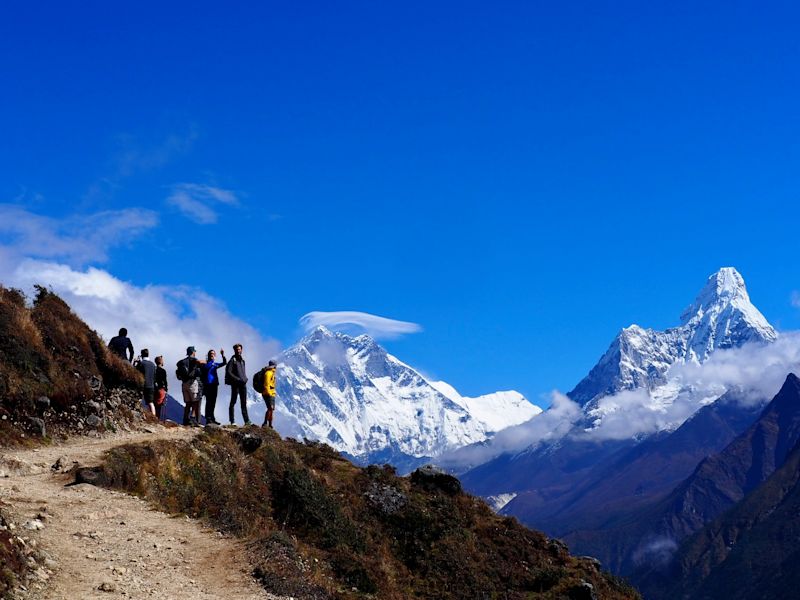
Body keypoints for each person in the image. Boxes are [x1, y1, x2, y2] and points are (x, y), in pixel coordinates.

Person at [177, 346, 204, 427]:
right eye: (194, 352)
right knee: (195, 402)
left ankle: (185, 419)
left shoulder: (182, 362)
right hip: (192, 383)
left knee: (188, 403)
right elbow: (201, 362)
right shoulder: (193, 360)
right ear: (193, 352)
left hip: (184, 383)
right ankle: (192, 418)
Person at [200, 348, 227, 425]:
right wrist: (212, 361)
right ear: (209, 355)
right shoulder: (206, 363)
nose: (212, 355)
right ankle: (208, 418)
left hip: (214, 384)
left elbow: (224, 363)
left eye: (213, 354)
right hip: (208, 385)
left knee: (213, 402)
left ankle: (212, 418)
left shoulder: (215, 364)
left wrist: (222, 355)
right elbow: (206, 367)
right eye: (211, 354)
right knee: (209, 402)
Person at [225, 343, 250, 425]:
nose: (238, 351)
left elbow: (243, 372)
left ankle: (247, 421)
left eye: (239, 349)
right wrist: (238, 379)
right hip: (235, 384)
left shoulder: (243, 361)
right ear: (234, 350)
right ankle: (232, 421)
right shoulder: (232, 361)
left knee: (243, 403)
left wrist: (245, 378)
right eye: (237, 349)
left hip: (243, 384)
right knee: (233, 402)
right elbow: (229, 372)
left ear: (241, 350)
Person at [133, 349, 157, 417]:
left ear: (142, 355)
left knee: (139, 400)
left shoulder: (141, 363)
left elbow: (135, 371)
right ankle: (153, 417)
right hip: (151, 385)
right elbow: (154, 376)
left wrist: (135, 363)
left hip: (142, 384)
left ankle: (138, 415)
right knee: (151, 403)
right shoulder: (153, 364)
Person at [262, 360, 278, 428]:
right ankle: (265, 423)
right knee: (270, 408)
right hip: (268, 393)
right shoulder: (268, 373)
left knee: (271, 409)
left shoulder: (271, 373)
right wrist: (268, 393)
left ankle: (270, 425)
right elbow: (266, 384)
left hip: (272, 393)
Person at [154, 356, 168, 421]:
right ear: (161, 362)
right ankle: (158, 419)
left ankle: (153, 417)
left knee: (154, 404)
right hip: (161, 389)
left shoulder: (154, 369)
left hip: (154, 389)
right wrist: (166, 389)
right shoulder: (163, 371)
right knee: (159, 405)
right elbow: (165, 381)